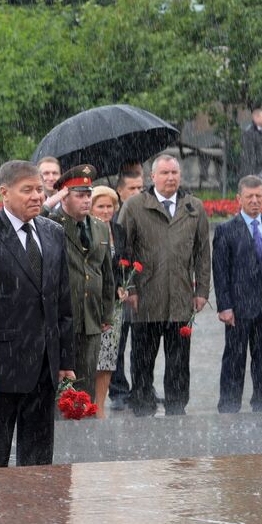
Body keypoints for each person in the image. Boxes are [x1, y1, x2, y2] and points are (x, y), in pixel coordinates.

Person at [0, 160, 76, 468]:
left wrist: (65, 360)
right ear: (5, 192)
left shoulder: (53, 233)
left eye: (39, 189)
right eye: (27, 190)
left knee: (38, 461)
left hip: (44, 367)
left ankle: (35, 502)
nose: (36, 196)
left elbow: (62, 303)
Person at [119, 154, 211, 416]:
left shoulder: (194, 207)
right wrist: (129, 288)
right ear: (153, 177)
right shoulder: (135, 206)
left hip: (181, 299)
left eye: (174, 173)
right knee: (142, 360)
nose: (171, 178)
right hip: (145, 299)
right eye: (165, 173)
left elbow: (203, 253)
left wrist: (202, 290)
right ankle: (142, 406)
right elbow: (123, 251)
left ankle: (176, 407)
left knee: (179, 362)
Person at [213, 176, 262, 413]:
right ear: (239, 199)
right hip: (238, 308)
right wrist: (224, 306)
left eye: (259, 196)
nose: (255, 201)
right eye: (249, 197)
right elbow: (220, 271)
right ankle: (229, 405)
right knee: (234, 359)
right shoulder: (226, 230)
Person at [48, 165, 116, 397]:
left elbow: (106, 273)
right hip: (63, 315)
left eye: (88, 195)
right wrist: (52, 200)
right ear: (65, 197)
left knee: (86, 381)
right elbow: (33, 218)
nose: (86, 200)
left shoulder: (99, 226)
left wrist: (107, 313)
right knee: (61, 383)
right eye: (79, 195)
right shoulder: (52, 223)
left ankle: (85, 417)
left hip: (92, 316)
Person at [107, 167, 145, 407]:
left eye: (141, 187)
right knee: (117, 345)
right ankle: (118, 390)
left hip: (143, 287)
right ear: (119, 191)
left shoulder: (146, 212)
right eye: (132, 188)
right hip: (119, 292)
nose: (137, 192)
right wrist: (125, 286)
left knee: (141, 345)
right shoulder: (112, 219)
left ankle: (142, 388)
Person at [89, 185, 125, 417]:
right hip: (91, 302)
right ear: (91, 208)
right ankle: (86, 404)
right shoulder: (87, 229)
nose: (105, 210)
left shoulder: (119, 230)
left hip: (113, 304)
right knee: (90, 357)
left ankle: (100, 407)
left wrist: (123, 285)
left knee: (108, 358)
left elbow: (123, 262)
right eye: (100, 206)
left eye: (109, 206)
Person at [239, 106, 262, 180]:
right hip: (255, 170)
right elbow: (249, 154)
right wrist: (252, 173)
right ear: (256, 118)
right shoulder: (249, 133)